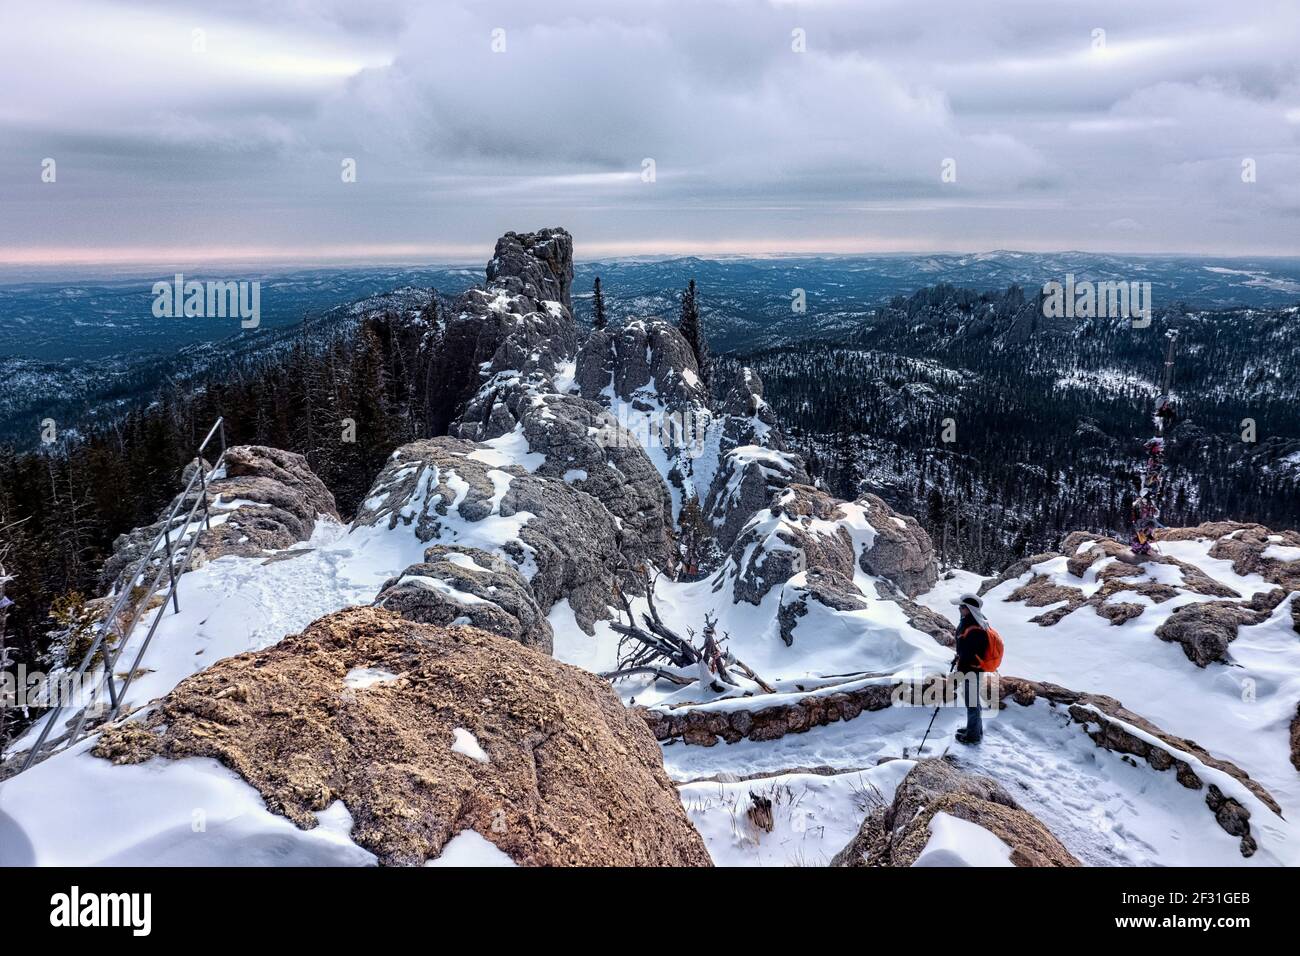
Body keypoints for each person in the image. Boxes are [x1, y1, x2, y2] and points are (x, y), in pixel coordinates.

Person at [953, 594, 991, 745]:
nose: (959, 609)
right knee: (973, 702)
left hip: (971, 670)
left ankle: (973, 737)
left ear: (969, 609)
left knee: (972, 703)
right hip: (972, 668)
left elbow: (969, 653)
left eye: (962, 607)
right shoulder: (972, 621)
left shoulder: (974, 627)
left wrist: (959, 672)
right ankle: (974, 728)